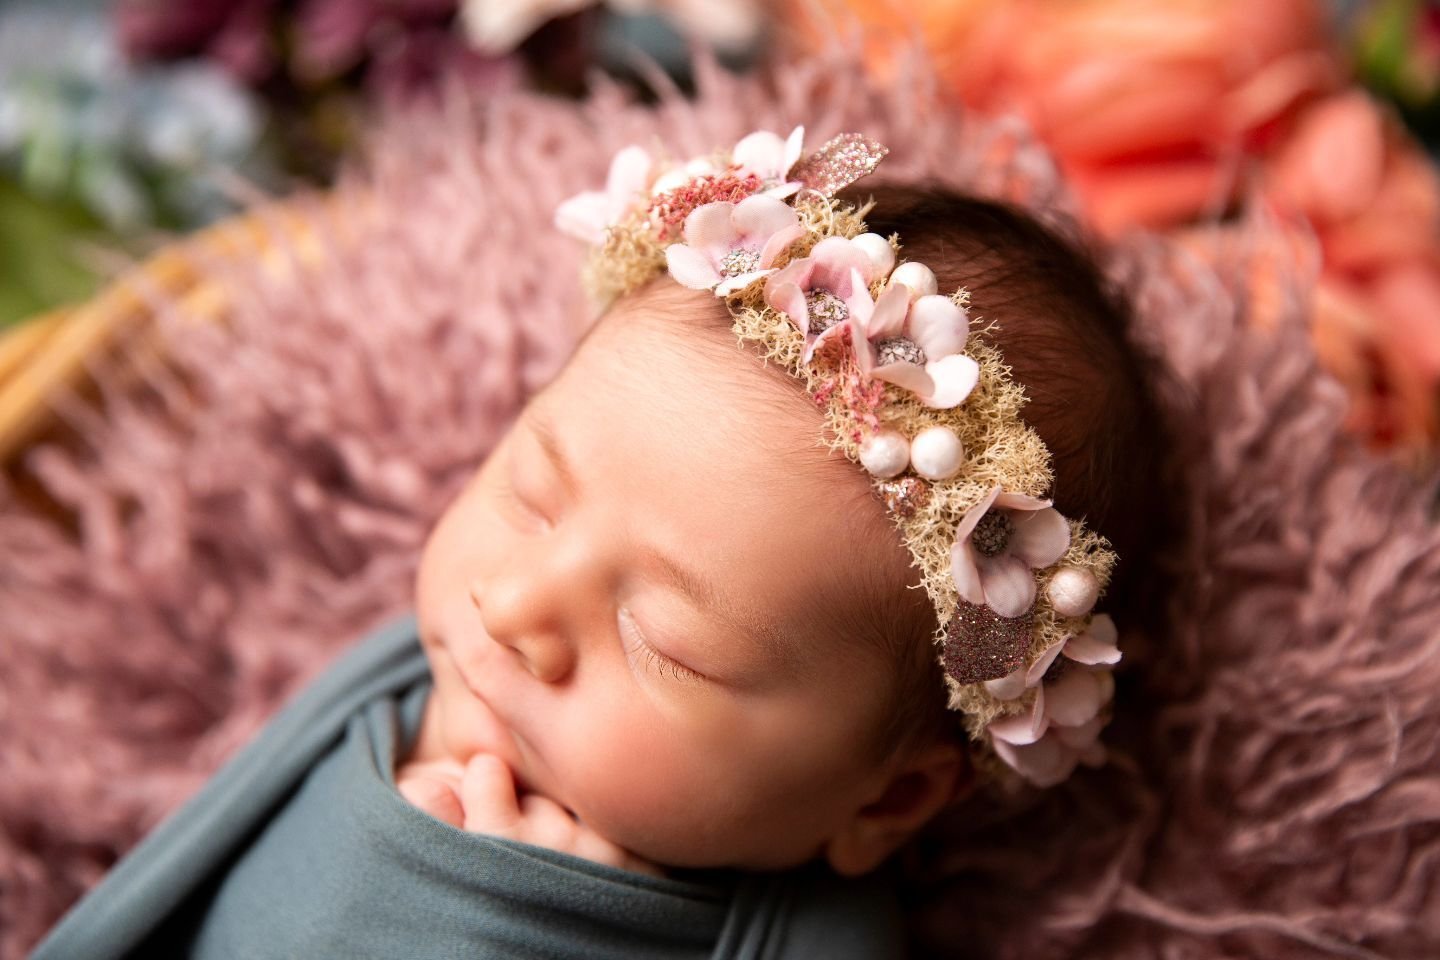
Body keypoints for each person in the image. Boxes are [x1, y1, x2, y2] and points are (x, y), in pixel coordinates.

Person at [31, 128, 1168, 959]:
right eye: (529, 495)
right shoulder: (410, 671)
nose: (515, 604)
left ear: (887, 800)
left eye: (664, 641)